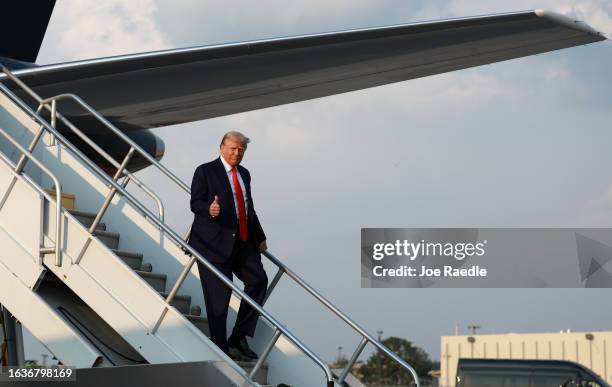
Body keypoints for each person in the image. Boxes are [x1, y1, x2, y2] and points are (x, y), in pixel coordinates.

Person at [188, 131, 268, 361]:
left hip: (242, 242)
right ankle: (220, 349)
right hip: (213, 244)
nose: (237, 153)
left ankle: (239, 337)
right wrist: (209, 210)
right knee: (219, 301)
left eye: (241, 150)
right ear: (222, 147)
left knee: (258, 281)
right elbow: (195, 202)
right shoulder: (205, 171)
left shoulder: (244, 174)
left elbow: (248, 208)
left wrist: (260, 237)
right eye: (233, 148)